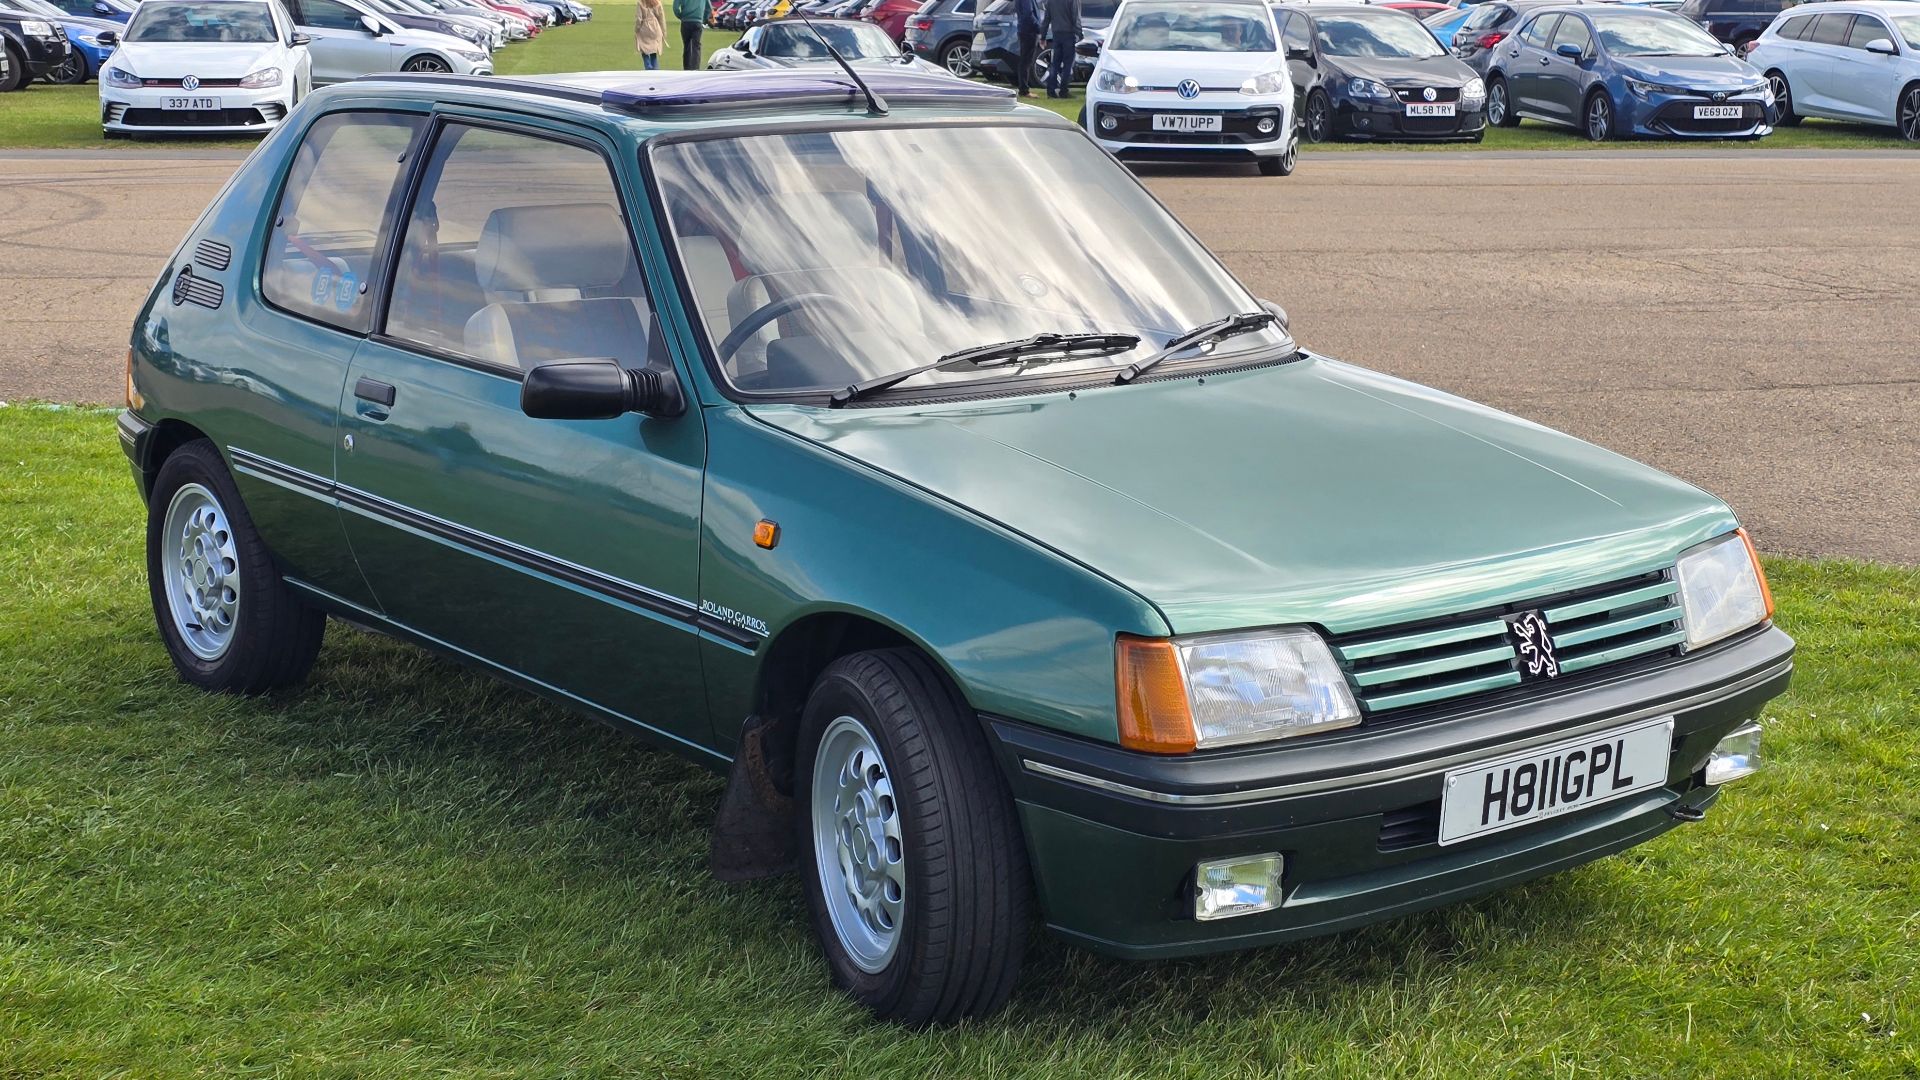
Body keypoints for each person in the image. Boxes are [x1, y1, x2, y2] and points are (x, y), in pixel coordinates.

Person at [1039, 0, 1077, 99]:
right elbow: (1076, 18)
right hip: (1069, 34)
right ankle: (1063, 90)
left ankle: (1050, 90)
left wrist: (1043, 37)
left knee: (1054, 64)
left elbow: (1046, 19)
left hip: (1056, 34)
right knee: (1068, 65)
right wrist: (1080, 35)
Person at [1014, 0, 1042, 98]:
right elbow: (1028, 13)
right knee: (1026, 61)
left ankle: (1023, 88)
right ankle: (1024, 90)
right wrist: (1039, 28)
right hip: (1029, 31)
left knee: (1025, 61)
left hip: (1024, 30)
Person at [673, 0, 712, 69]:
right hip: (697, 22)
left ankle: (687, 68)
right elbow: (709, 8)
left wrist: (680, 16)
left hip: (686, 21)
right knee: (696, 46)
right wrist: (703, 19)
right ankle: (695, 68)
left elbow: (675, 7)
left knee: (686, 46)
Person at [635, 0, 665, 69]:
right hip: (655, 27)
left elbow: (639, 19)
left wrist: (636, 29)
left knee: (644, 49)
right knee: (653, 51)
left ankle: (648, 67)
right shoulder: (657, 2)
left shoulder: (640, 3)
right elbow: (661, 18)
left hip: (644, 28)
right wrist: (663, 31)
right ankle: (655, 70)